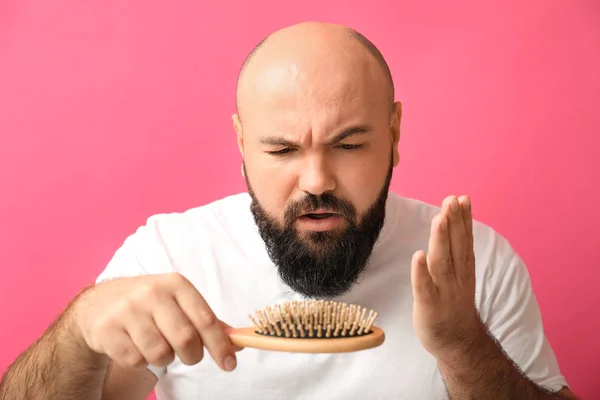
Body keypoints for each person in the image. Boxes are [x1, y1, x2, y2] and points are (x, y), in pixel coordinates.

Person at [0, 21, 580, 400]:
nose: (316, 181)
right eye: (280, 149)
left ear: (395, 133)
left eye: (349, 145)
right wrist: (79, 331)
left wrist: (462, 344)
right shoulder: (169, 256)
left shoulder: (470, 264)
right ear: (241, 141)